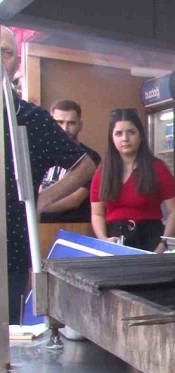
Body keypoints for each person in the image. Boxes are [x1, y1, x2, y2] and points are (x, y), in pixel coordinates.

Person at [2, 26, 97, 324]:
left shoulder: (32, 119)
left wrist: (40, 200)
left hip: (10, 253)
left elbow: (85, 165)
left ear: (16, 63)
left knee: (8, 338)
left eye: (5, 53)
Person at [90, 108, 175, 253]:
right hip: (115, 241)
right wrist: (104, 241)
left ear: (140, 135)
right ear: (111, 138)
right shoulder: (103, 172)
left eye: (131, 132)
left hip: (151, 239)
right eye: (118, 133)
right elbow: (97, 213)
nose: (125, 138)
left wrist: (163, 245)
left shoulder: (157, 168)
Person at [39, 99, 102, 222]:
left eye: (71, 123)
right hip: (41, 227)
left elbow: (75, 200)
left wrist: (39, 207)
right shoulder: (42, 154)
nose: (64, 128)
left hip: (76, 227)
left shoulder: (91, 158)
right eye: (59, 122)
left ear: (80, 125)